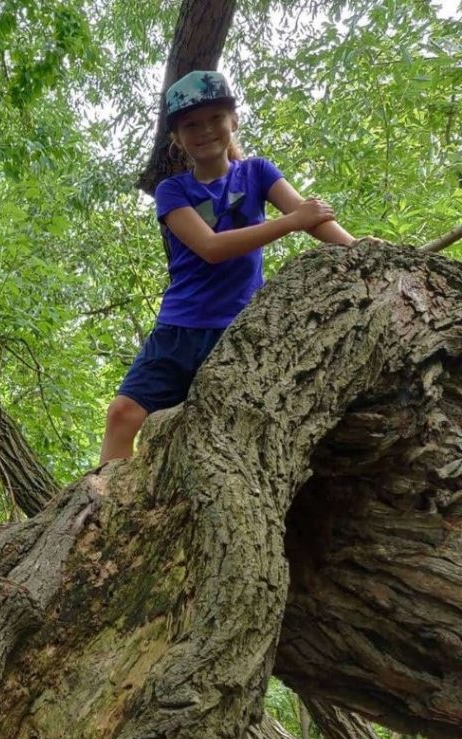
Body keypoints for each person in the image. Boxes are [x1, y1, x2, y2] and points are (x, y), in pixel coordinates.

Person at [100, 69, 356, 463]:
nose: (205, 130)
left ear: (233, 121)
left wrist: (358, 247)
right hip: (179, 329)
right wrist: (291, 222)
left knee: (228, 434)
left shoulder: (258, 173)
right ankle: (104, 509)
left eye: (215, 118)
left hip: (238, 330)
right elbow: (211, 247)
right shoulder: (174, 191)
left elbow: (312, 219)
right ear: (177, 138)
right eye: (191, 124)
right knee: (122, 414)